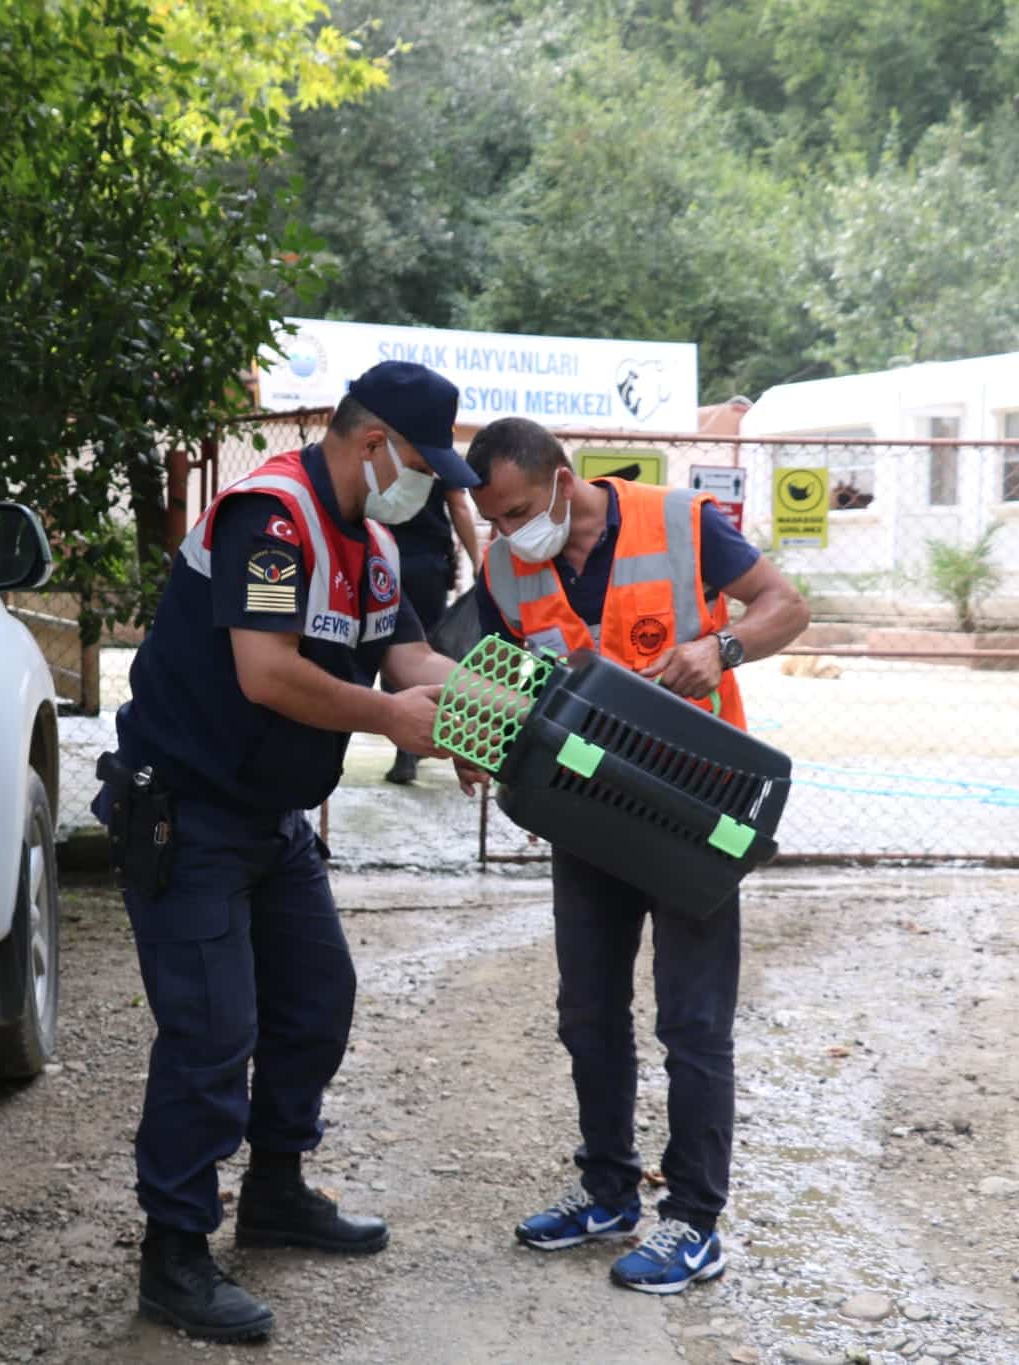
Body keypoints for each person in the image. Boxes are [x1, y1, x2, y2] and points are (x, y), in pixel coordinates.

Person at [94, 361, 483, 1343]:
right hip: (185, 812)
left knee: (315, 1003)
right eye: (421, 463)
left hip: (269, 819)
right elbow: (266, 674)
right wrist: (394, 721)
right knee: (211, 1034)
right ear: (371, 445)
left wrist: (499, 705)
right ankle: (174, 1254)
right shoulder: (269, 517)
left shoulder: (375, 548)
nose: (427, 483)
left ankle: (272, 1193)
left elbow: (411, 661)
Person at [463, 417, 808, 1295]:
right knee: (588, 1013)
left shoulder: (684, 520)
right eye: (492, 520)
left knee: (692, 1023)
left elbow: (787, 606)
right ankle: (608, 1191)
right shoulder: (506, 569)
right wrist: (479, 732)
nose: (507, 534)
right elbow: (509, 673)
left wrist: (719, 647)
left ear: (561, 479)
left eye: (513, 512)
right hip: (587, 818)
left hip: (696, 808)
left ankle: (693, 1221)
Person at [382, 477, 483, 784]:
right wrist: (476, 559)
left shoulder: (388, 447)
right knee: (422, 649)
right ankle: (419, 743)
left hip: (386, 559)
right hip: (426, 566)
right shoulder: (436, 451)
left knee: (392, 651)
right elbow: (459, 507)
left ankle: (406, 749)